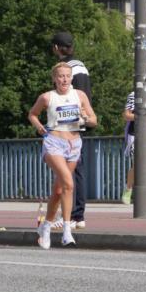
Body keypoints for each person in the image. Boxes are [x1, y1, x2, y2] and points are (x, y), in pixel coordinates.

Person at [29, 62, 97, 249]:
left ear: (71, 78)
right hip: (54, 143)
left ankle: (46, 226)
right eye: (60, 76)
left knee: (59, 191)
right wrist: (39, 126)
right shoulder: (47, 97)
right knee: (69, 183)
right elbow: (32, 114)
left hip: (74, 144)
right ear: (54, 79)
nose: (64, 79)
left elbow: (94, 121)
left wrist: (85, 118)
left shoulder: (80, 95)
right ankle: (67, 232)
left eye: (67, 75)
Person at [51, 31, 92, 228]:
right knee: (78, 172)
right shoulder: (81, 66)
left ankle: (73, 215)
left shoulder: (66, 69)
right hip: (81, 122)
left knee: (68, 172)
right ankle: (79, 215)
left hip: (67, 126)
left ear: (56, 48)